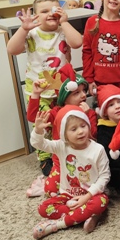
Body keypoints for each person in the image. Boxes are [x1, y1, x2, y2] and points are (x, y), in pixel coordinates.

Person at [7, 0, 83, 175]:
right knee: (42, 125)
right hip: (38, 92)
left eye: (54, 10)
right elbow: (12, 49)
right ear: (35, 15)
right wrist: (23, 29)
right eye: (44, 11)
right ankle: (44, 158)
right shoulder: (32, 33)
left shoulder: (63, 31)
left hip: (62, 91)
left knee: (64, 121)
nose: (50, 14)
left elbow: (77, 42)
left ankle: (64, 151)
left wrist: (65, 22)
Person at [30, 105, 110, 240]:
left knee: (102, 201)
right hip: (68, 196)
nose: (80, 131)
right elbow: (39, 144)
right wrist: (38, 130)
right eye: (74, 129)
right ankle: (86, 215)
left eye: (83, 126)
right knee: (43, 208)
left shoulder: (98, 149)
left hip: (91, 195)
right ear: (64, 133)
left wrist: (87, 196)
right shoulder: (61, 146)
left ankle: (58, 224)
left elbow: (105, 176)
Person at [25, 64, 98, 197]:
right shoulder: (56, 112)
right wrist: (35, 94)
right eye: (77, 93)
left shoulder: (89, 112)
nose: (83, 95)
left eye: (83, 90)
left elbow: (93, 137)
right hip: (61, 162)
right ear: (64, 97)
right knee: (51, 191)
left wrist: (87, 115)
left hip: (85, 161)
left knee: (87, 190)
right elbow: (32, 117)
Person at [95, 84, 120, 193]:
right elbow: (108, 158)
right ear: (105, 112)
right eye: (111, 105)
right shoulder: (103, 130)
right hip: (117, 165)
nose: (117, 107)